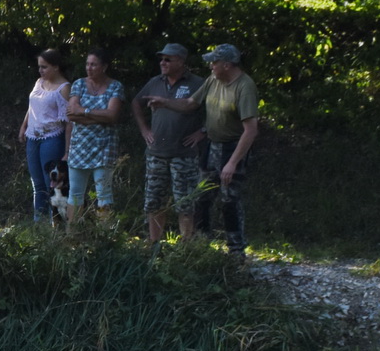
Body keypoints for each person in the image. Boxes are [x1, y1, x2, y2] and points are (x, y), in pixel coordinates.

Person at [147, 44, 260, 256]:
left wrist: (232, 163)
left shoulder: (244, 87)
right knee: (201, 196)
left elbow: (251, 130)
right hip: (211, 145)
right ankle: (201, 244)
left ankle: (236, 251)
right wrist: (165, 103)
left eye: (214, 62)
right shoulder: (212, 81)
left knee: (229, 199)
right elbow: (191, 103)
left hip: (233, 147)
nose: (210, 66)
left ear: (227, 65)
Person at [131, 43, 208, 244]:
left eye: (168, 59)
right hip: (156, 152)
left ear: (181, 61)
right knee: (154, 201)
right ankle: (154, 244)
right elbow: (136, 103)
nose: (163, 63)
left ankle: (186, 246)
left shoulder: (197, 83)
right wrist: (144, 130)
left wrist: (203, 131)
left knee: (185, 203)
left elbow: (216, 109)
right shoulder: (155, 82)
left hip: (184, 153)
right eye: (161, 59)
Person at [63, 48, 125, 222]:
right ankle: (71, 236)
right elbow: (71, 114)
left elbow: (112, 116)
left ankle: (104, 238)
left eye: (94, 64)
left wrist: (84, 111)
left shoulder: (115, 86)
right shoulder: (79, 84)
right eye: (87, 64)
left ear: (104, 67)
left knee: (104, 193)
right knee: (75, 192)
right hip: (79, 146)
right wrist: (99, 117)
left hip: (105, 147)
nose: (89, 68)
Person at [18, 49, 70, 223]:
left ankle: (53, 225)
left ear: (56, 67)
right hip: (33, 137)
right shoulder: (39, 82)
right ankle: (38, 224)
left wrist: (67, 149)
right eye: (39, 66)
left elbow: (68, 122)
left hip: (51, 138)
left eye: (44, 67)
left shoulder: (64, 88)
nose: (40, 70)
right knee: (37, 184)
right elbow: (32, 106)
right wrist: (24, 125)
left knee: (51, 182)